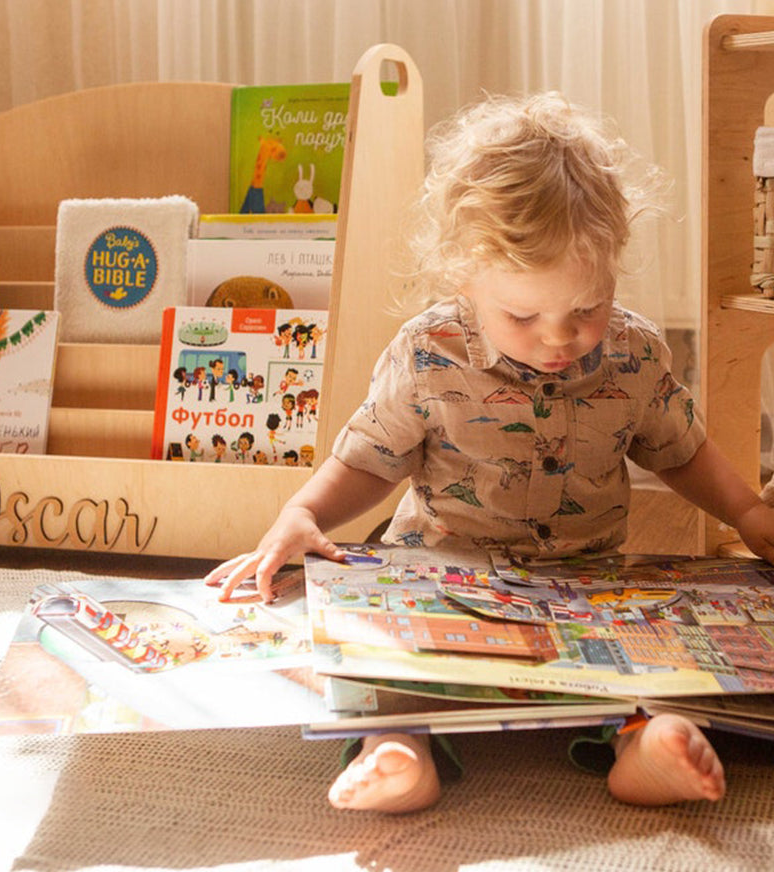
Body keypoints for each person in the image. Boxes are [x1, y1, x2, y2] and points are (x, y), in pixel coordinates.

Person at [205, 92, 774, 814]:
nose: (560, 337)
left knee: (657, 666)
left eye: (586, 308)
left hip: (586, 591)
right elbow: (367, 460)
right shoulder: (426, 353)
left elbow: (681, 450)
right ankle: (400, 753)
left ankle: (646, 746)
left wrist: (748, 510)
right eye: (524, 315)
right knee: (384, 667)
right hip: (445, 581)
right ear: (464, 281)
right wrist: (302, 512)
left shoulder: (634, 354)